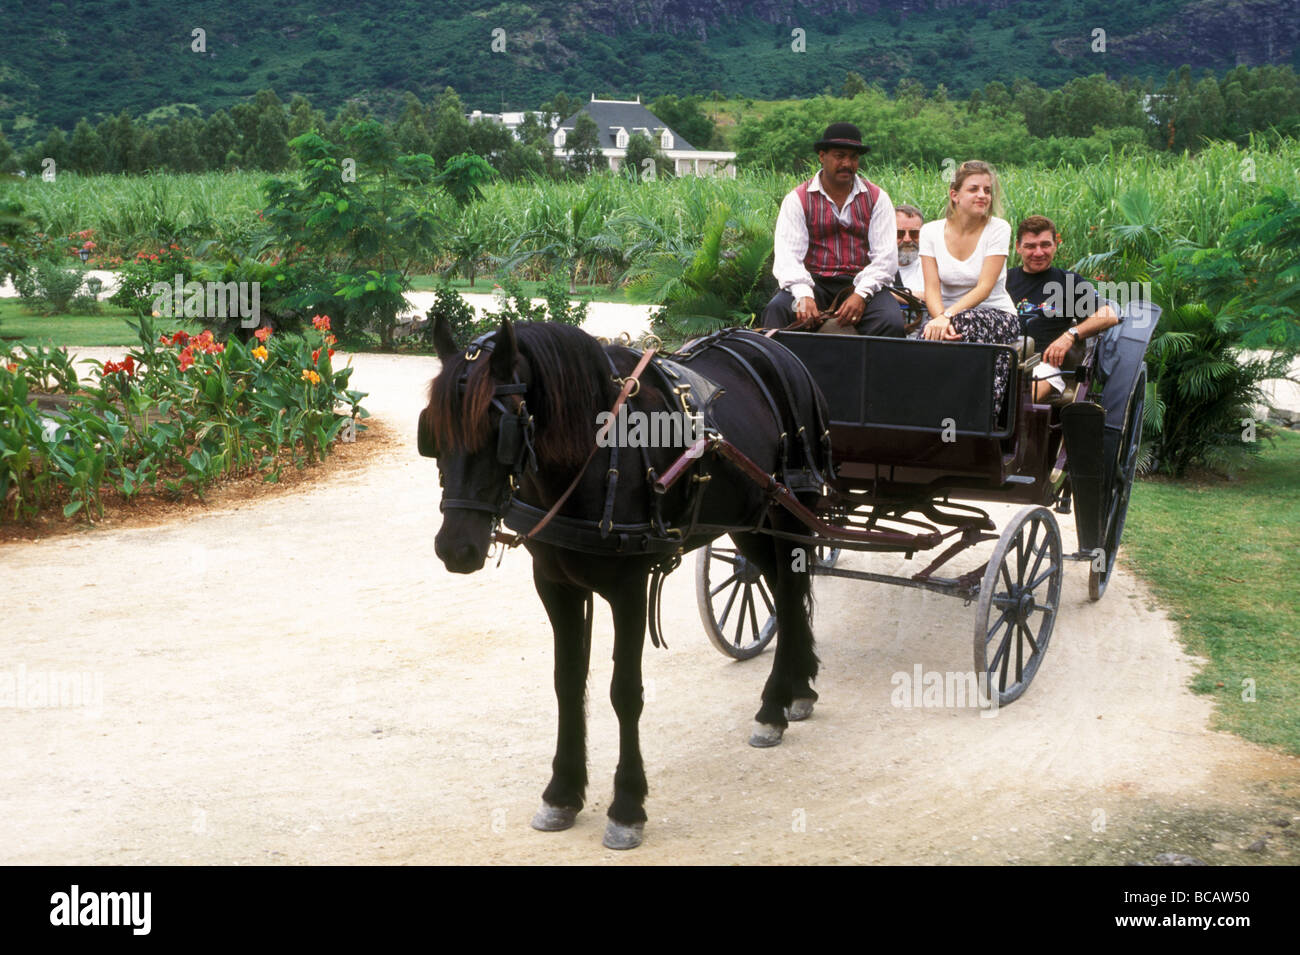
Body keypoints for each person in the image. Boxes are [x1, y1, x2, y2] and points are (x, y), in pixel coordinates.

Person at [762, 122, 904, 337]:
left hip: (861, 282)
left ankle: (874, 371)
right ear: (822, 156)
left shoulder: (877, 199)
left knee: (890, 321)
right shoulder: (797, 199)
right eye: (840, 155)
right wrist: (803, 295)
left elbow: (885, 259)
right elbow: (788, 257)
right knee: (778, 311)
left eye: (853, 157)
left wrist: (861, 295)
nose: (847, 163)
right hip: (814, 282)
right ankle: (780, 371)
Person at [918, 159, 1021, 413]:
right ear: (955, 195)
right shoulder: (930, 232)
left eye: (987, 190)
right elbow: (931, 288)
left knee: (964, 327)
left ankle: (978, 416)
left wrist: (948, 316)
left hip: (996, 314)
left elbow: (984, 287)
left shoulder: (998, 228)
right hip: (945, 317)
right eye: (974, 189)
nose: (982, 195)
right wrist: (939, 319)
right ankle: (926, 416)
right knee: (923, 339)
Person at [1006, 215, 1121, 401]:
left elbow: (1109, 315)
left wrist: (1070, 335)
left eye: (1045, 245)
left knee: (1022, 399)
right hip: (1002, 359)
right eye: (1030, 246)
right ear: (1018, 247)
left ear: (1055, 246)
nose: (1038, 252)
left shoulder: (1068, 282)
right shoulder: (1003, 280)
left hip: (1043, 365)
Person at [892, 203, 925, 297]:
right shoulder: (876, 266)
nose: (907, 239)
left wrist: (889, 295)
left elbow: (934, 297)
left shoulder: (930, 264)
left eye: (914, 233)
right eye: (900, 233)